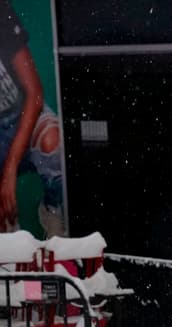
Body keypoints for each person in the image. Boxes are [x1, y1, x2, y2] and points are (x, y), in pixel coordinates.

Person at [0, 0, 63, 236]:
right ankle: (10, 244)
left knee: (53, 140)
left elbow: (34, 93)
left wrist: (10, 168)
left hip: (23, 114)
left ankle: (53, 211)